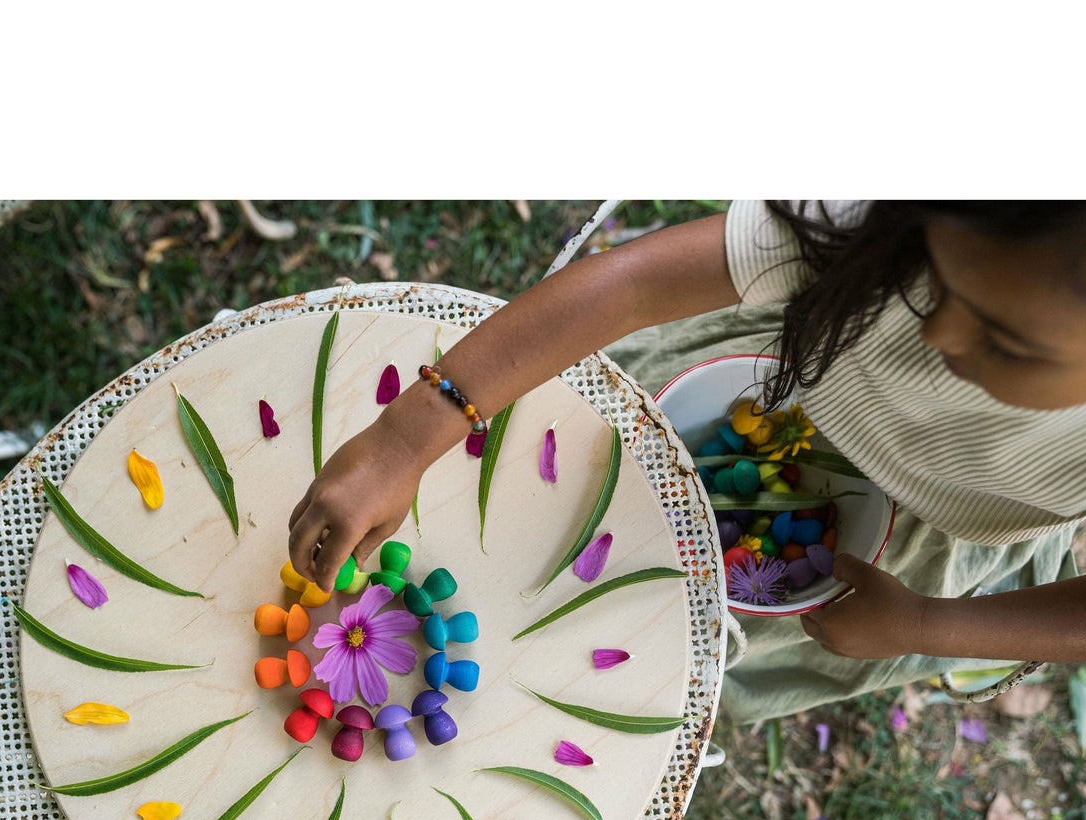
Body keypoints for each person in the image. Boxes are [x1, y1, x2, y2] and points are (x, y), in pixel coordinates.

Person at [287, 201, 1086, 723]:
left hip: (922, 535)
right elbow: (633, 286)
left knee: (652, 654)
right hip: (770, 379)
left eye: (1006, 340)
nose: (941, 335)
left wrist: (924, 624)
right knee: (523, 517)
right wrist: (409, 434)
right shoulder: (944, 210)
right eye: (933, 279)